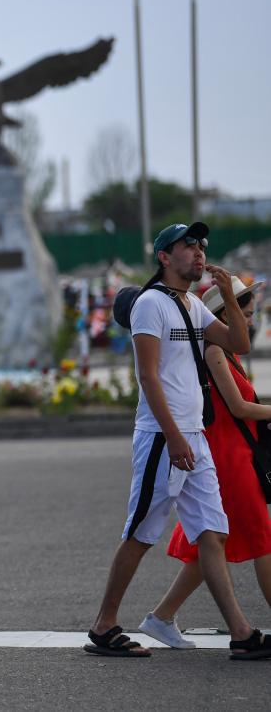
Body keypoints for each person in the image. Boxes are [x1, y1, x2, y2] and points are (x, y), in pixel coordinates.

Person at [84, 222, 271, 660]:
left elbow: (238, 341)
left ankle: (242, 633)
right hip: (163, 437)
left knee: (213, 532)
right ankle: (104, 625)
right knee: (142, 532)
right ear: (165, 257)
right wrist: (173, 437)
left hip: (194, 435)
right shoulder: (152, 304)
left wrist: (227, 294)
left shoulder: (191, 303)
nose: (199, 252)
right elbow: (148, 375)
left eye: (202, 245)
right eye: (188, 246)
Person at [138, 277, 271, 649]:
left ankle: (161, 617)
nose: (248, 315)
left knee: (207, 545)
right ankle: (161, 618)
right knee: (260, 538)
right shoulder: (214, 351)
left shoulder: (229, 353)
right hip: (228, 457)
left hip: (233, 452)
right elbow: (238, 408)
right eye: (242, 308)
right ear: (220, 314)